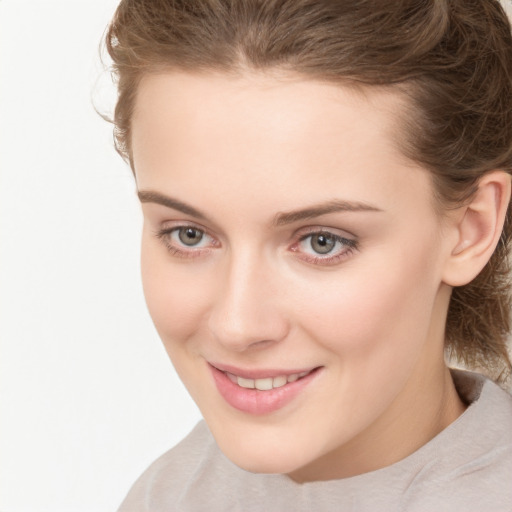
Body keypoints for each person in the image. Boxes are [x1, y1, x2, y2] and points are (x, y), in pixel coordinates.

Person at [103, 1, 512, 510]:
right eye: (188, 234)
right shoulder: (168, 494)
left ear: (471, 230)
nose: (237, 325)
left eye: (323, 242)